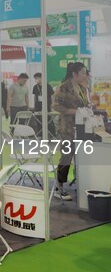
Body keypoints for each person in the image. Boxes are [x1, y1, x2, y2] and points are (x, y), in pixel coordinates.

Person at [52, 62, 89, 201]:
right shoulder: (63, 87)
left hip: (81, 127)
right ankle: (59, 187)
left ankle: (79, 182)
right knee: (66, 156)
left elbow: (84, 105)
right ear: (75, 74)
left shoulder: (82, 88)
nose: (85, 75)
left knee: (79, 156)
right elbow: (55, 105)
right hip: (67, 127)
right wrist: (74, 111)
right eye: (83, 73)